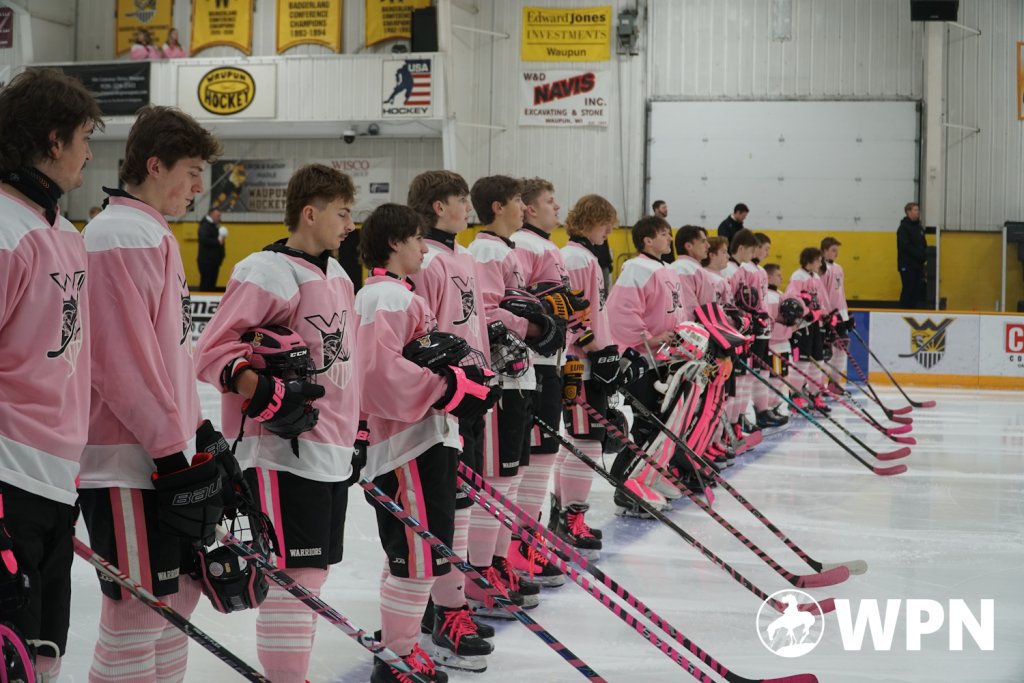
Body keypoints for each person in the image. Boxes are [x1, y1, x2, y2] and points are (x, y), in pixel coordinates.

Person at [78, 106, 230, 683]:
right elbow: (120, 366)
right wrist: (173, 453)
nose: (197, 187)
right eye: (191, 172)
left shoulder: (149, 231)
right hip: (128, 463)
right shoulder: (119, 234)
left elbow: (167, 357)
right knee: (138, 614)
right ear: (154, 164)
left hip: (162, 458)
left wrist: (200, 435)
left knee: (175, 606)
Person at [194, 164, 358, 683]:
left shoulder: (338, 274)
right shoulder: (266, 271)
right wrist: (256, 385)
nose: (350, 224)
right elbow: (212, 350)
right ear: (310, 213)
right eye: (342, 213)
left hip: (330, 448)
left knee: (313, 572)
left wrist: (359, 429)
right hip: (279, 451)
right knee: (294, 573)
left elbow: (347, 364)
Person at [355, 203, 495, 683]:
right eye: (417, 239)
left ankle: (401, 644)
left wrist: (454, 379)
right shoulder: (386, 298)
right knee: (417, 558)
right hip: (407, 445)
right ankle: (397, 658)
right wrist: (451, 385)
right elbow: (380, 378)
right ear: (394, 243)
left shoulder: (397, 294)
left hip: (419, 441)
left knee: (415, 554)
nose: (423, 248)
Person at [0, 66, 102, 683]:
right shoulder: (5, 229)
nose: (90, 154)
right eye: (85, 138)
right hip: (8, 477)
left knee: (42, 654)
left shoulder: (64, 231)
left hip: (58, 483)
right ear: (54, 139)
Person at [406, 171, 511, 654]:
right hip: (441, 401)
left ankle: (447, 601)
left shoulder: (463, 256)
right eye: (460, 200)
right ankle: (441, 608)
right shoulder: (423, 259)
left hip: (472, 396)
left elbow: (475, 324)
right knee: (441, 506)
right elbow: (419, 338)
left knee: (464, 501)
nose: (468, 208)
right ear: (437, 206)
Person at [466, 175, 566, 595]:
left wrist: (542, 317)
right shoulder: (486, 250)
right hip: (500, 379)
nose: (524, 207)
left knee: (512, 475)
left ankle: (498, 560)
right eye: (516, 201)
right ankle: (480, 569)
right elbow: (488, 313)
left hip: (520, 376)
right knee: (496, 478)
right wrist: (534, 324)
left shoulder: (505, 249)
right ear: (498, 206)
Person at [555, 194, 621, 559]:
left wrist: (607, 350)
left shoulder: (585, 256)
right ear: (587, 221)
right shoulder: (577, 257)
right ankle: (571, 520)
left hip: (584, 362)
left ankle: (562, 515)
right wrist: (597, 349)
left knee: (578, 441)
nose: (609, 230)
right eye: (603, 223)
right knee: (587, 442)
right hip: (578, 364)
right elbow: (572, 312)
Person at [607, 215, 686, 451]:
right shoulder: (636, 267)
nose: (670, 238)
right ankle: (634, 469)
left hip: (667, 357)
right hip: (644, 359)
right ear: (647, 240)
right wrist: (648, 338)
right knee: (644, 422)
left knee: (664, 419)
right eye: (663, 234)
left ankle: (657, 466)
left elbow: (678, 308)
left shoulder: (668, 269)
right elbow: (621, 310)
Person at [785, 247, 830, 415]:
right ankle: (795, 397)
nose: (821, 263)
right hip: (801, 327)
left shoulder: (816, 277)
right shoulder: (798, 276)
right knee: (801, 363)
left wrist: (824, 313)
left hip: (815, 326)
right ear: (809, 260)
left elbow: (819, 301)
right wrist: (806, 312)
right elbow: (792, 298)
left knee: (818, 361)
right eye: (818, 260)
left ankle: (815, 396)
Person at [762, 263, 791, 426]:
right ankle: (767, 408)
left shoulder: (780, 294)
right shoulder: (770, 297)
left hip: (783, 344)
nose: (782, 278)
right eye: (778, 275)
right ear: (769, 277)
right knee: (774, 378)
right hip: (775, 345)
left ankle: (773, 407)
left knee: (781, 378)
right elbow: (771, 326)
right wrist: (790, 329)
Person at [821, 236, 851, 392]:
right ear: (824, 251)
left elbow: (840, 294)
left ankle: (834, 383)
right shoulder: (821, 270)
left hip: (840, 315)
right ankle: (817, 386)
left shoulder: (839, 268)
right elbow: (823, 295)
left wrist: (846, 315)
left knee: (842, 347)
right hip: (829, 316)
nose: (836, 253)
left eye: (837, 250)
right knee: (825, 350)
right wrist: (828, 315)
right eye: (833, 250)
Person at [671, 224, 716, 320]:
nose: (708, 245)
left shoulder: (693, 268)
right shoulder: (683, 269)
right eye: (703, 241)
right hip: (693, 327)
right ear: (688, 246)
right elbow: (688, 310)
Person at [897, 202, 926, 309]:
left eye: (918, 210)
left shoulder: (919, 228)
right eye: (915, 210)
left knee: (916, 291)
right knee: (908, 289)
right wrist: (919, 255)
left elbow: (923, 243)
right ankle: (903, 311)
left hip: (918, 265)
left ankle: (912, 311)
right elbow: (906, 246)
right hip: (907, 265)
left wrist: (925, 254)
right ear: (908, 212)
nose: (918, 212)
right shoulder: (903, 228)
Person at [197, 207, 225, 290]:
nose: (219, 218)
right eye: (218, 216)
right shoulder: (205, 226)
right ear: (211, 215)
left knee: (211, 284)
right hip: (207, 261)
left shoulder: (214, 227)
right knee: (206, 284)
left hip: (214, 261)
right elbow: (204, 239)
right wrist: (217, 242)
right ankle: (203, 297)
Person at [703, 235, 731, 306]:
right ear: (712, 255)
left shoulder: (714, 277)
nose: (728, 256)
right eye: (724, 252)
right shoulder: (714, 279)